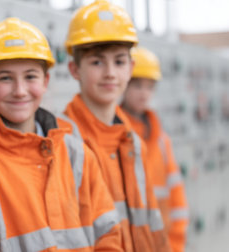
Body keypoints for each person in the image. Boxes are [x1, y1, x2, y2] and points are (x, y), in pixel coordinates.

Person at [0, 17, 123, 251]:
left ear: (45, 81)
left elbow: (109, 234)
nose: (20, 90)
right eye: (5, 78)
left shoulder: (76, 152)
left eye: (30, 76)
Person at [62, 0, 171, 251]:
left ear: (131, 68)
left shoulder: (133, 141)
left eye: (119, 62)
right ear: (74, 68)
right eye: (97, 62)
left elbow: (152, 225)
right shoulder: (64, 141)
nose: (110, 72)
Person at [121, 46, 188, 252]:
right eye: (138, 85)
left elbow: (176, 196)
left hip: (161, 244)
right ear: (124, 84)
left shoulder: (161, 140)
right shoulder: (116, 134)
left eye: (150, 87)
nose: (144, 93)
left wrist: (175, 245)